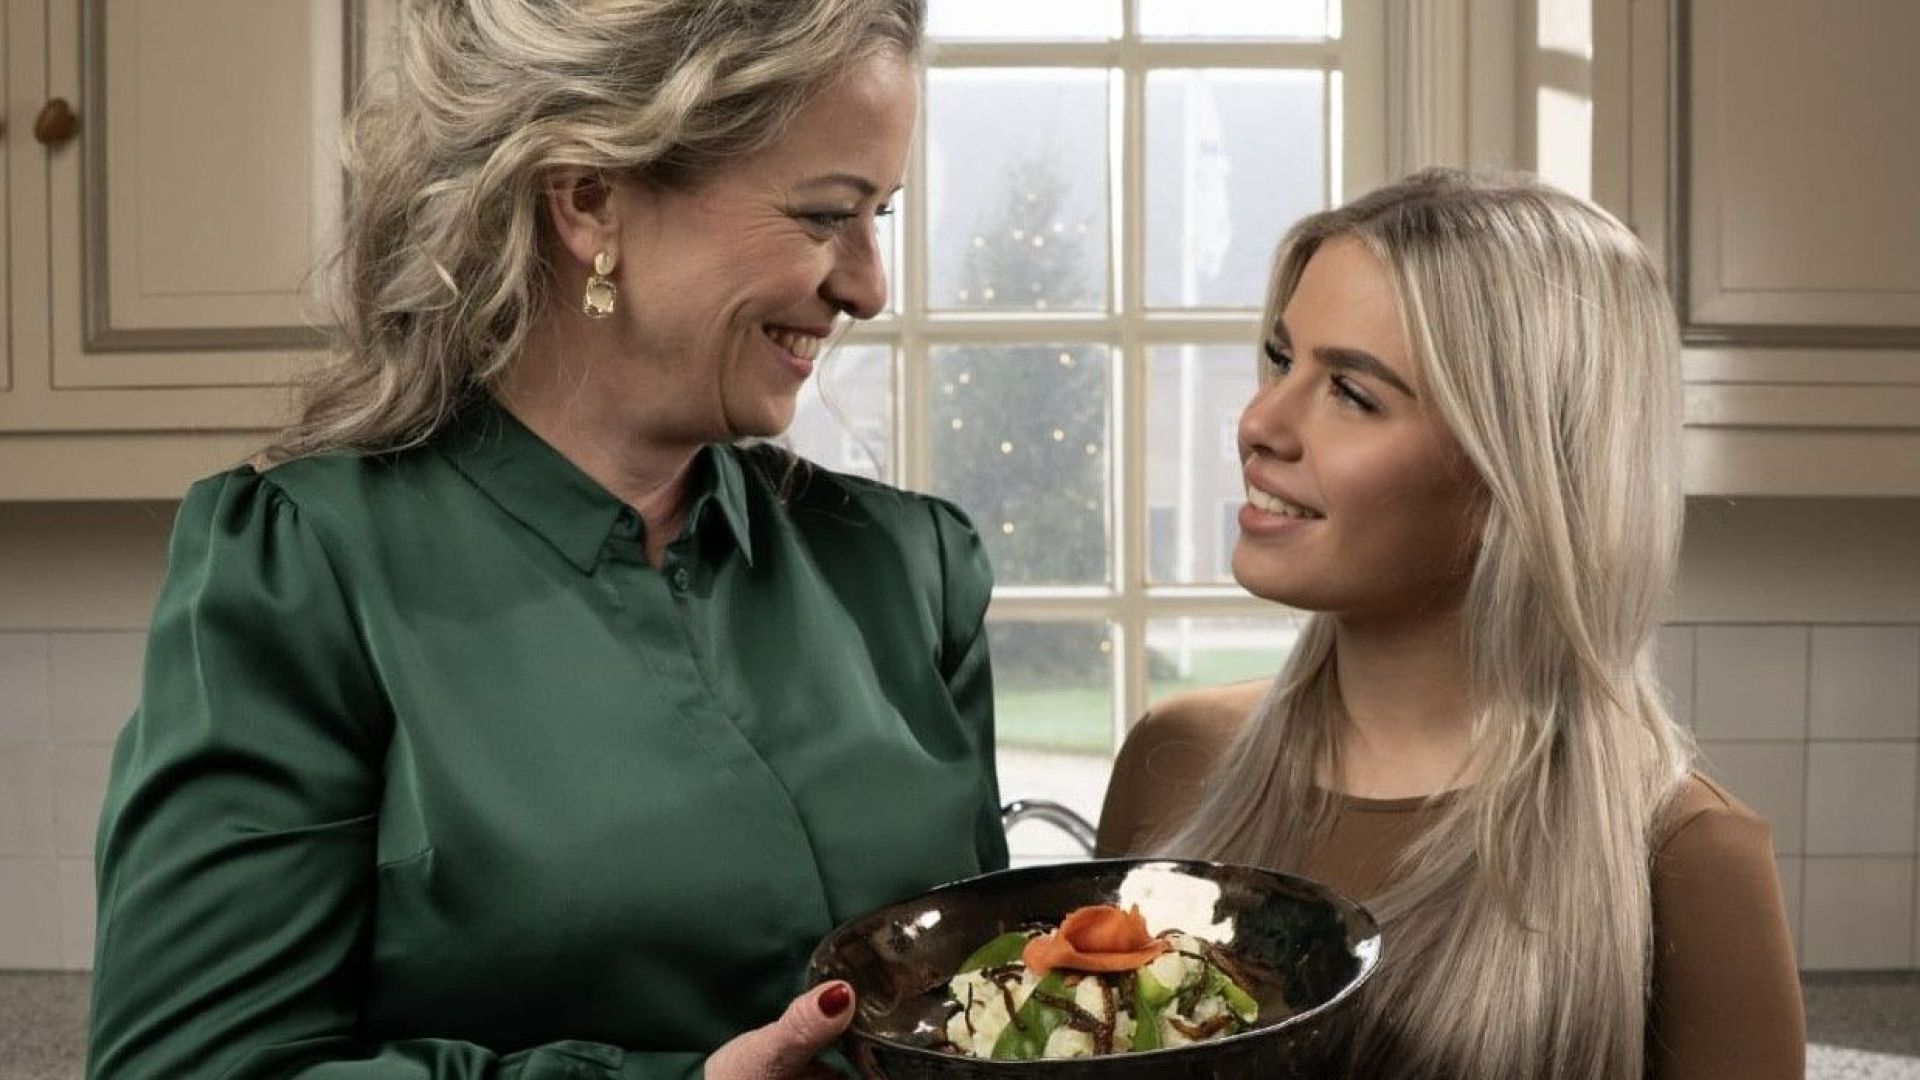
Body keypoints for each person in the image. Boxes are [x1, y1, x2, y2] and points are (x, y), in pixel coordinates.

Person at [87, 2, 1007, 1077]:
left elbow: (982, 1008)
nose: (868, 286)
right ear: (590, 202)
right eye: (822, 216)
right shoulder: (311, 568)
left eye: (880, 217)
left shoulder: (907, 571)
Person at [1096, 170, 1804, 1079]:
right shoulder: (1176, 761)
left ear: (1517, 470)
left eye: (1352, 392)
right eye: (1283, 360)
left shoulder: (1686, 858)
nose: (1260, 423)